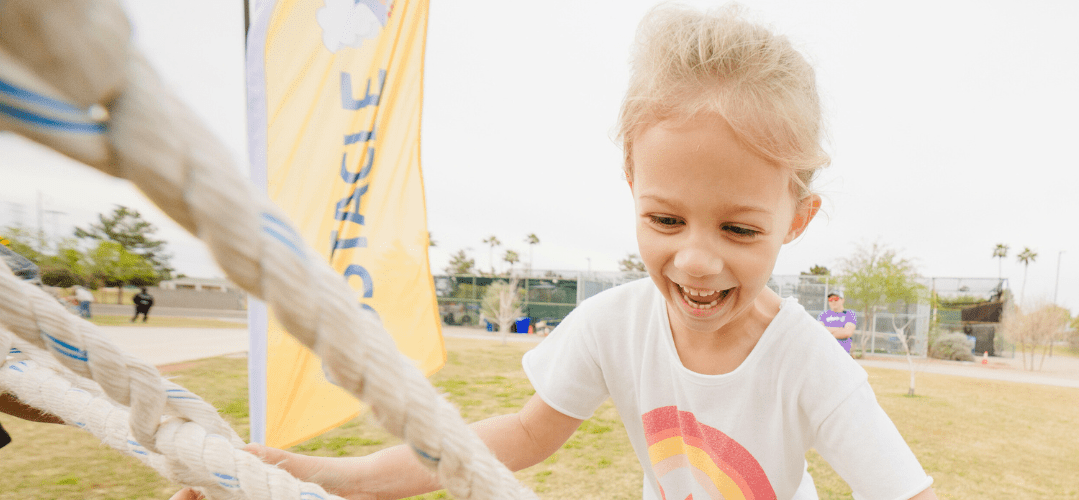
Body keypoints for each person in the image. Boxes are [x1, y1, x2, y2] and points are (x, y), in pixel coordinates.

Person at [174, 5, 936, 500]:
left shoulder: (809, 363)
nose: (696, 261)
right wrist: (334, 477)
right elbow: (523, 433)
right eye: (665, 221)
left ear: (797, 220)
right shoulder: (615, 325)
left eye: (739, 230)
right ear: (632, 181)